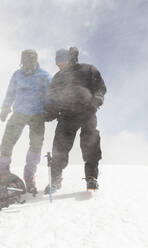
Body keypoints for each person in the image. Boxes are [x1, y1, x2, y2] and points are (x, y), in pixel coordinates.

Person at [43, 47, 106, 192]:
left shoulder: (87, 69)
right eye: (58, 63)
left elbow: (100, 87)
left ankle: (91, 178)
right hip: (66, 116)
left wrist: (97, 98)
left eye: (62, 61)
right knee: (59, 148)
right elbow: (53, 99)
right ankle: (55, 180)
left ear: (70, 58)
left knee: (90, 144)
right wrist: (49, 113)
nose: (60, 64)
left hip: (87, 112)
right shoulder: (57, 78)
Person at [0, 49, 51, 195]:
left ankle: (29, 176)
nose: (27, 67)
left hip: (37, 115)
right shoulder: (17, 75)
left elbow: (50, 95)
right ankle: (2, 172)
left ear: (35, 61)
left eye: (30, 63)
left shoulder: (44, 76)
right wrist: (5, 107)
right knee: (7, 141)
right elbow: (10, 92)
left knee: (36, 145)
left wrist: (49, 110)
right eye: (24, 63)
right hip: (19, 112)